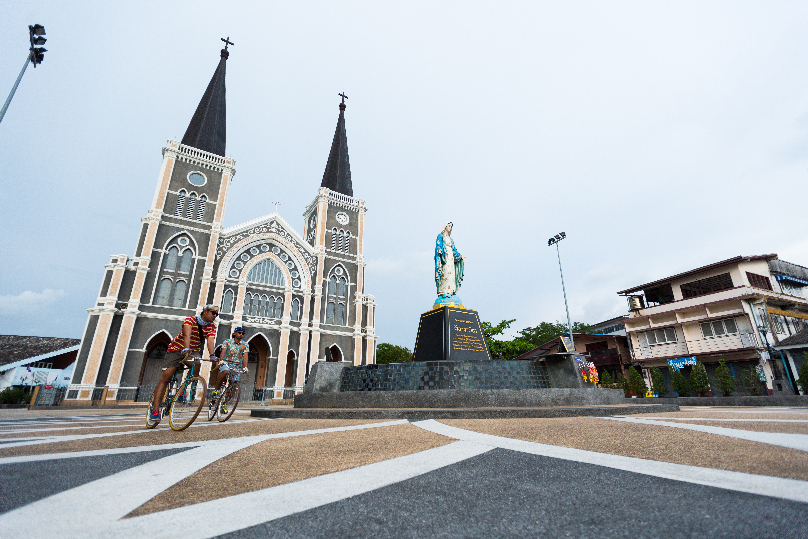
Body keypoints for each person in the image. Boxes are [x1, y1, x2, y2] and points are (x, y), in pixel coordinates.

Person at [149, 305, 218, 421]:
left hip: (193, 351)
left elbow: (210, 341)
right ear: (205, 311)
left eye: (217, 314)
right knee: (166, 377)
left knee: (198, 362)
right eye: (213, 313)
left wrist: (212, 355)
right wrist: (186, 349)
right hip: (176, 349)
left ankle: (186, 388)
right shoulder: (190, 320)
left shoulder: (212, 326)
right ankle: (155, 410)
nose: (215, 316)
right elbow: (187, 335)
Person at [213, 326, 249, 398]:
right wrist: (221, 360)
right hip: (226, 363)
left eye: (242, 333)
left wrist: (245, 367)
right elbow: (223, 350)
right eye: (239, 332)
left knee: (234, 383)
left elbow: (245, 355)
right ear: (235, 333)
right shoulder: (227, 342)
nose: (241, 334)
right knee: (225, 371)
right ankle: (216, 390)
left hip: (236, 365)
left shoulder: (245, 345)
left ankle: (226, 402)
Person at [434, 222, 467, 298]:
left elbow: (454, 250)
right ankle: (443, 290)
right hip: (445, 257)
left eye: (451, 226)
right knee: (445, 272)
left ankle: (450, 290)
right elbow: (439, 244)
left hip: (451, 258)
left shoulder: (450, 239)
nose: (450, 228)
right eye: (449, 226)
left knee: (451, 274)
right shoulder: (441, 236)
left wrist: (460, 256)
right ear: (445, 226)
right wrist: (439, 250)